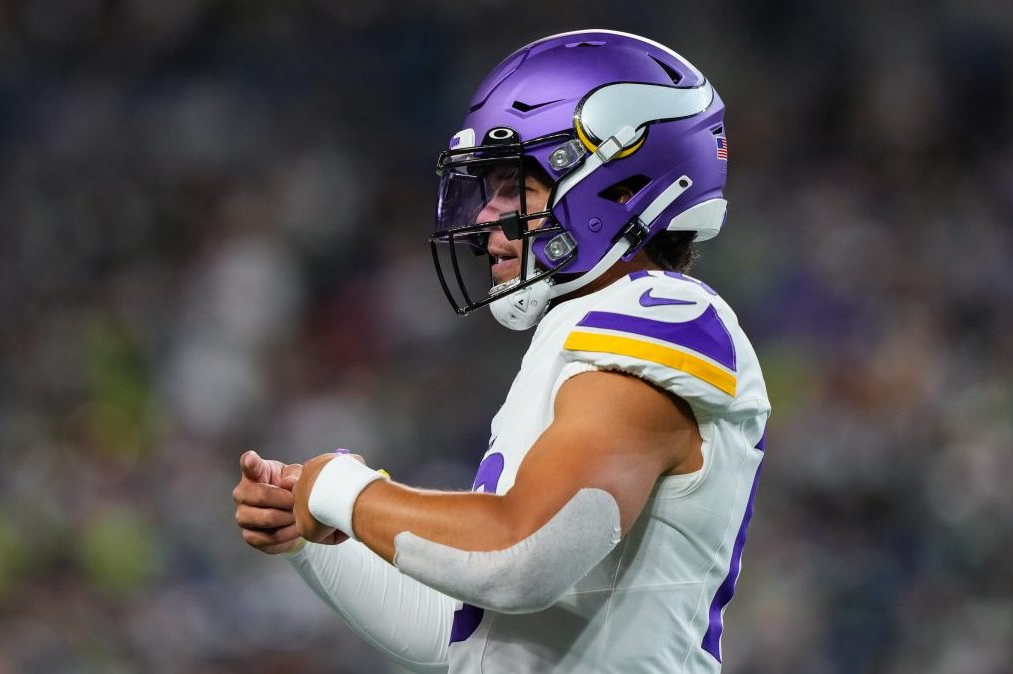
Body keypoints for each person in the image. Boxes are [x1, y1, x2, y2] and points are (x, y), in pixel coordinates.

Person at [233, 29, 770, 673]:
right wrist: (314, 533)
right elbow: (465, 634)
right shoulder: (574, 334)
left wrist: (346, 491)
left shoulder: (658, 315)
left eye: (515, 188)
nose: (488, 215)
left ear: (619, 187)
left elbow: (520, 559)